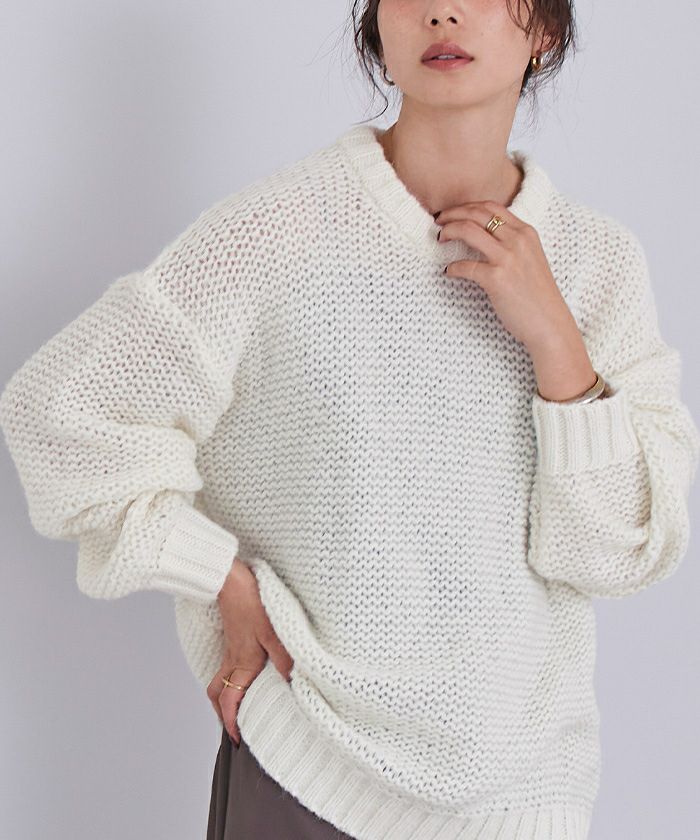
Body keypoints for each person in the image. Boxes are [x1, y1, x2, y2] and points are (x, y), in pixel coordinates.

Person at [1, 1, 699, 839]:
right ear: (377, 30)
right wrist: (218, 575)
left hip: (524, 798)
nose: (442, 11)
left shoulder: (598, 263)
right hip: (310, 772)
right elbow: (63, 414)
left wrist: (558, 344)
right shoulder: (271, 234)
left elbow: (616, 553)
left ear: (544, 31)